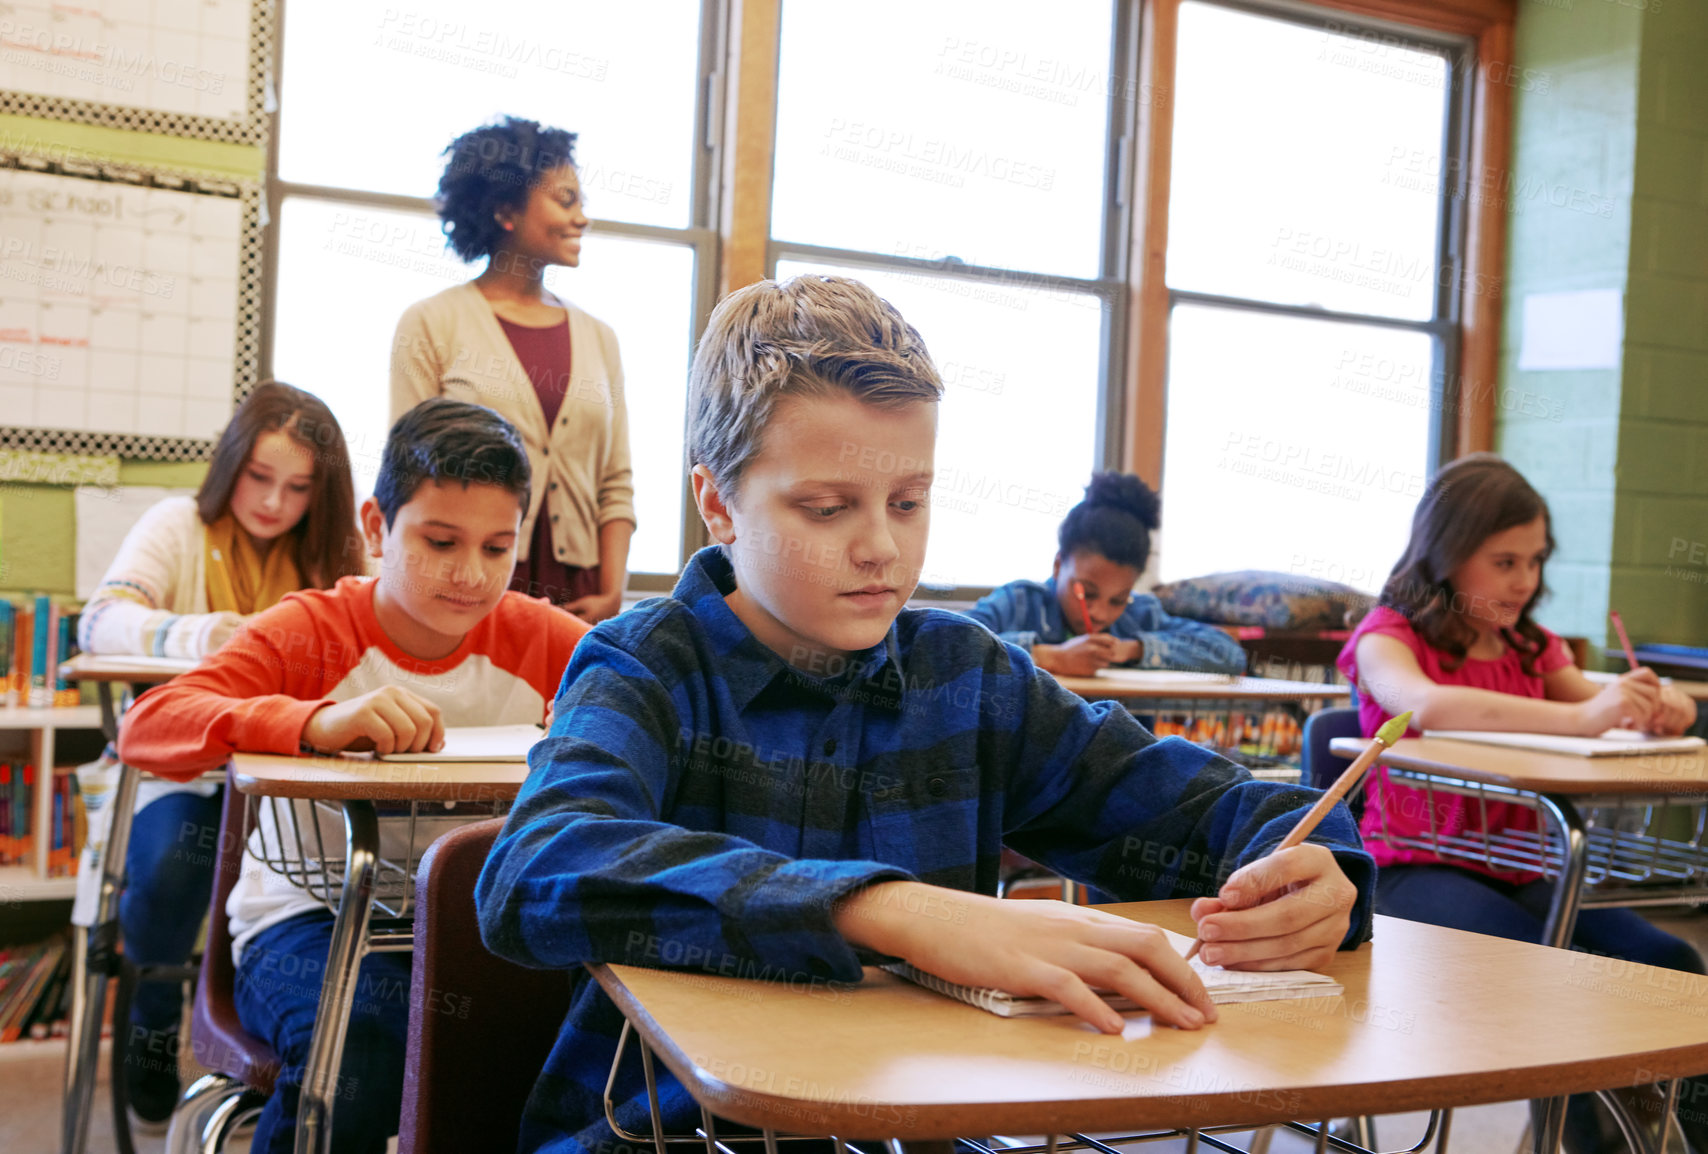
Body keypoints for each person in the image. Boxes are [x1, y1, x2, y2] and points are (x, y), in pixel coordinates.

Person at [474, 275, 1375, 1154]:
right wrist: (891, 912)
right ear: (718, 504)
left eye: (910, 501)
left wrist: (1315, 875)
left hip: (913, 1127)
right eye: (826, 509)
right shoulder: (646, 665)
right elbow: (536, 866)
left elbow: (1216, 811)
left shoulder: (971, 678)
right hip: (660, 1133)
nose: (880, 546)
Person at [116, 398, 589, 1154]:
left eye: (498, 548)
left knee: (569, 1033)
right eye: (439, 541)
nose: (470, 575)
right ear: (376, 528)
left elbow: (662, 709)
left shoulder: (542, 638)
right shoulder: (313, 630)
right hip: (308, 920)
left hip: (471, 921)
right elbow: (150, 725)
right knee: (365, 1042)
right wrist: (307, 722)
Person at [1337, 451, 1703, 1154]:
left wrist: (1659, 706)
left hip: (1521, 866)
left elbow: (1611, 699)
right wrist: (1586, 716)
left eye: (1535, 562)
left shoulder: (1529, 645)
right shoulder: (1389, 635)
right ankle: (1590, 1139)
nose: (1525, 581)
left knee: (1671, 964)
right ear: (1446, 552)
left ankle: (1672, 1129)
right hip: (1411, 868)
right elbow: (1428, 705)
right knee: (1546, 968)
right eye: (1504, 561)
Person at [78, 381, 366, 1125]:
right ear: (229, 462)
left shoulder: (334, 555)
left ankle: (279, 1033)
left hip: (292, 781)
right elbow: (102, 621)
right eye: (258, 477)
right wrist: (204, 637)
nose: (273, 502)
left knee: (330, 888)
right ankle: (154, 1009)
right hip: (184, 766)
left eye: (298, 487)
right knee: (175, 860)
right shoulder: (176, 525)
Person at [390, 115, 634, 622]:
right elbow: (406, 474)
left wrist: (614, 591)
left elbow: (615, 480)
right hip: (467, 580)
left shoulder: (600, 337)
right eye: (565, 200)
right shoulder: (431, 323)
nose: (583, 218)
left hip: (580, 593)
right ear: (506, 210)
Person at [965, 471, 1246, 676]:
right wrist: (1047, 656)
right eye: (1086, 593)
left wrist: (1132, 650)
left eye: (1118, 599)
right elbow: (952, 644)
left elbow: (1230, 654)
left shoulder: (1141, 614)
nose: (1099, 614)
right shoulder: (1018, 602)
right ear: (1059, 565)